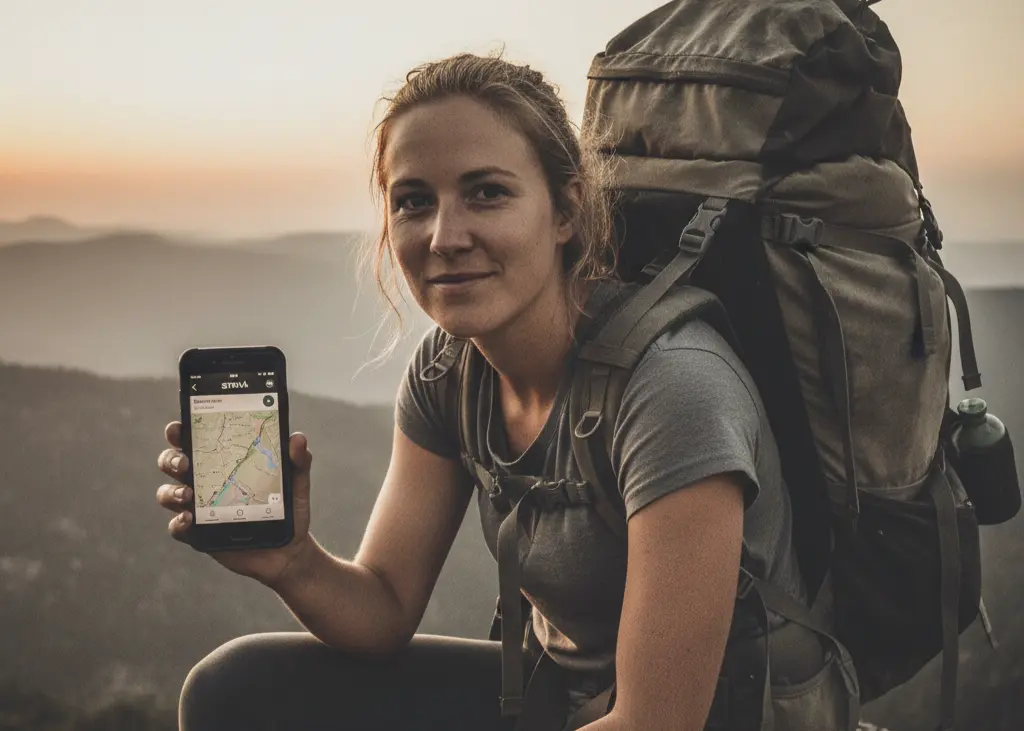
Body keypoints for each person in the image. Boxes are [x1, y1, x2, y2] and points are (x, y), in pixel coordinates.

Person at [155, 52, 829, 731]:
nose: (445, 238)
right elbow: (385, 606)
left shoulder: (673, 388)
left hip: (724, 715)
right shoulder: (449, 373)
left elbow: (656, 723)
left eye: (487, 193)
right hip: (558, 698)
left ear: (566, 209)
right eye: (413, 201)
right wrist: (292, 559)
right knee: (231, 690)